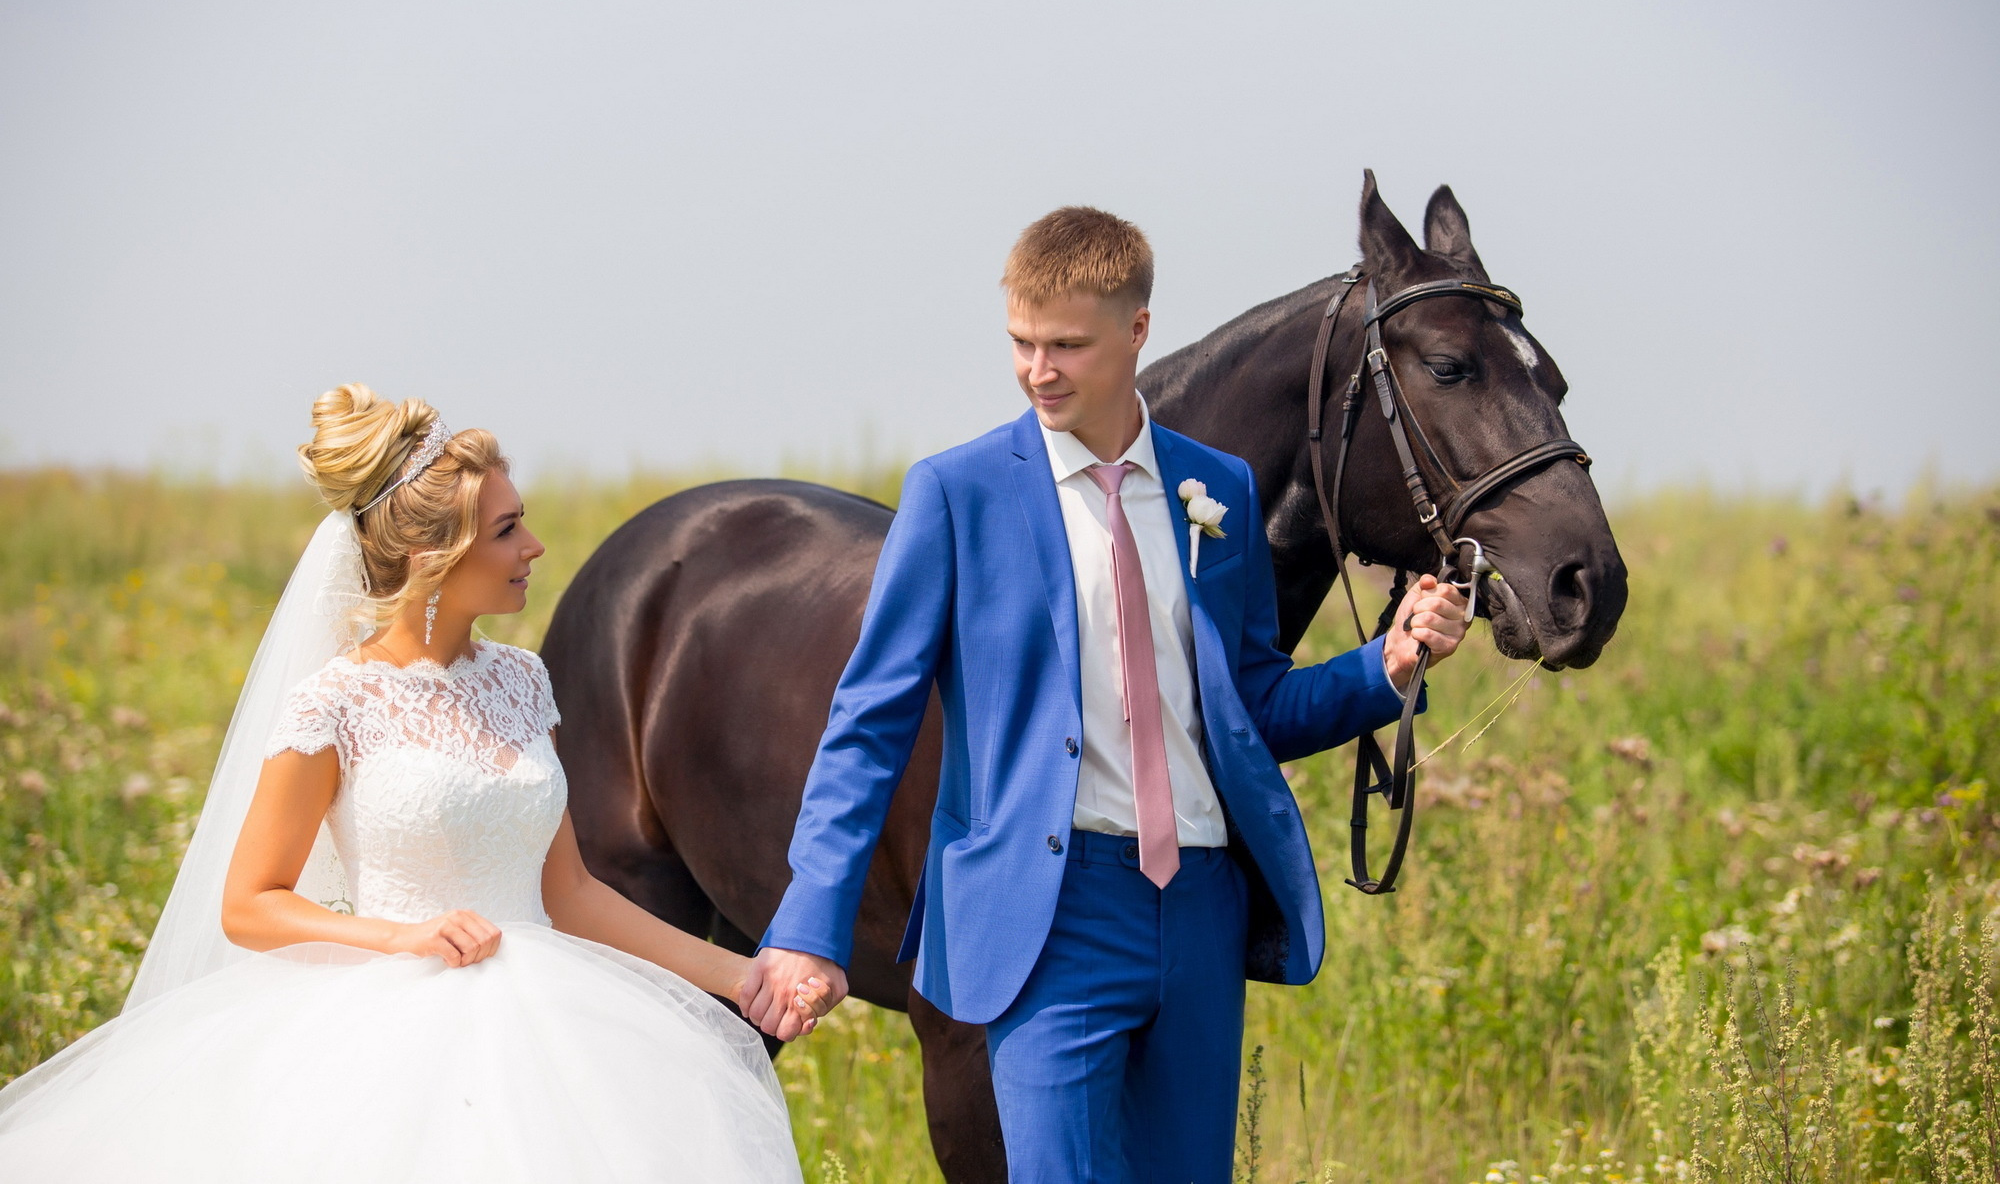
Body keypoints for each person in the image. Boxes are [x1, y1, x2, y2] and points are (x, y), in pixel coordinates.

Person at [742, 208, 1470, 1182]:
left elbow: (1248, 707)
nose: (1038, 369)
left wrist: (1384, 665)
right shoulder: (956, 494)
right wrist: (808, 919)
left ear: (1135, 331)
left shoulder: (1218, 491)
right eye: (1021, 343)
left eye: (1066, 346)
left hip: (1200, 908)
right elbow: (867, 723)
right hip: (1051, 914)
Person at [0, 385, 826, 1182]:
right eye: (507, 530)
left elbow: (569, 892)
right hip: (392, 1040)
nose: (534, 547)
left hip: (555, 1025)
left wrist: (743, 978)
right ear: (435, 556)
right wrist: (397, 938)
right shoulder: (337, 701)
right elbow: (249, 903)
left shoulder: (522, 681)